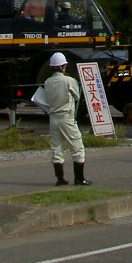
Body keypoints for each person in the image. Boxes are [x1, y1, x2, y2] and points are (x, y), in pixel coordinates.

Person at [42, 52, 90, 185]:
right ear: (63, 66)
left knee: (56, 147)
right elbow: (76, 96)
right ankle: (79, 178)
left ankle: (60, 179)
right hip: (66, 117)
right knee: (77, 147)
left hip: (53, 118)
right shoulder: (69, 81)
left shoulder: (47, 82)